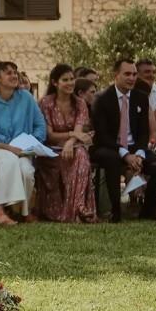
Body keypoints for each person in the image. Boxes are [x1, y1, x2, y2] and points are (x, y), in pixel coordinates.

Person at [90, 58, 156, 222]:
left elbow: (143, 132)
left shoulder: (140, 97)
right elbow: (102, 135)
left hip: (135, 147)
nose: (131, 78)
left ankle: (148, 211)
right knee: (112, 159)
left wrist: (139, 153)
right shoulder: (102, 99)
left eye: (134, 74)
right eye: (127, 74)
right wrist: (125, 154)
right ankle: (115, 212)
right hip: (109, 146)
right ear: (116, 75)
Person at [0, 61, 47, 226]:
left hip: (21, 150)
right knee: (7, 159)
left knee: (27, 171)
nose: (14, 75)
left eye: (15, 72)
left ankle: (23, 212)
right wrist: (8, 148)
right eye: (8, 73)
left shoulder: (27, 98)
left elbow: (40, 126)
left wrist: (30, 144)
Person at [35, 64, 96, 223]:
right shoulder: (46, 103)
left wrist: (70, 141)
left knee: (81, 155)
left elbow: (79, 133)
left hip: (73, 147)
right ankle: (64, 209)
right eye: (65, 80)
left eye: (72, 79)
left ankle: (79, 207)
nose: (70, 83)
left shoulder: (80, 103)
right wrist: (73, 135)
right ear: (55, 83)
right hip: (50, 149)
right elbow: (50, 135)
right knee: (66, 158)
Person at [136, 59, 156, 158]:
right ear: (136, 74)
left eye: (153, 72)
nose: (151, 75)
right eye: (147, 72)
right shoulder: (129, 93)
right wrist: (153, 119)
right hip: (138, 145)